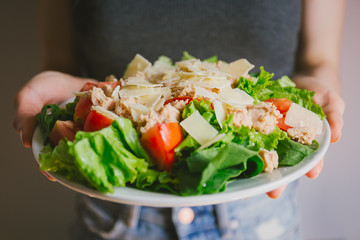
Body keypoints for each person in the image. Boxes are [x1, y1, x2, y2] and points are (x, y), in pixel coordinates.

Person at [13, 0, 345, 239]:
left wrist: (315, 94)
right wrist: (73, 98)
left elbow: (319, 59)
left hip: (258, 214)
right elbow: (61, 60)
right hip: (113, 212)